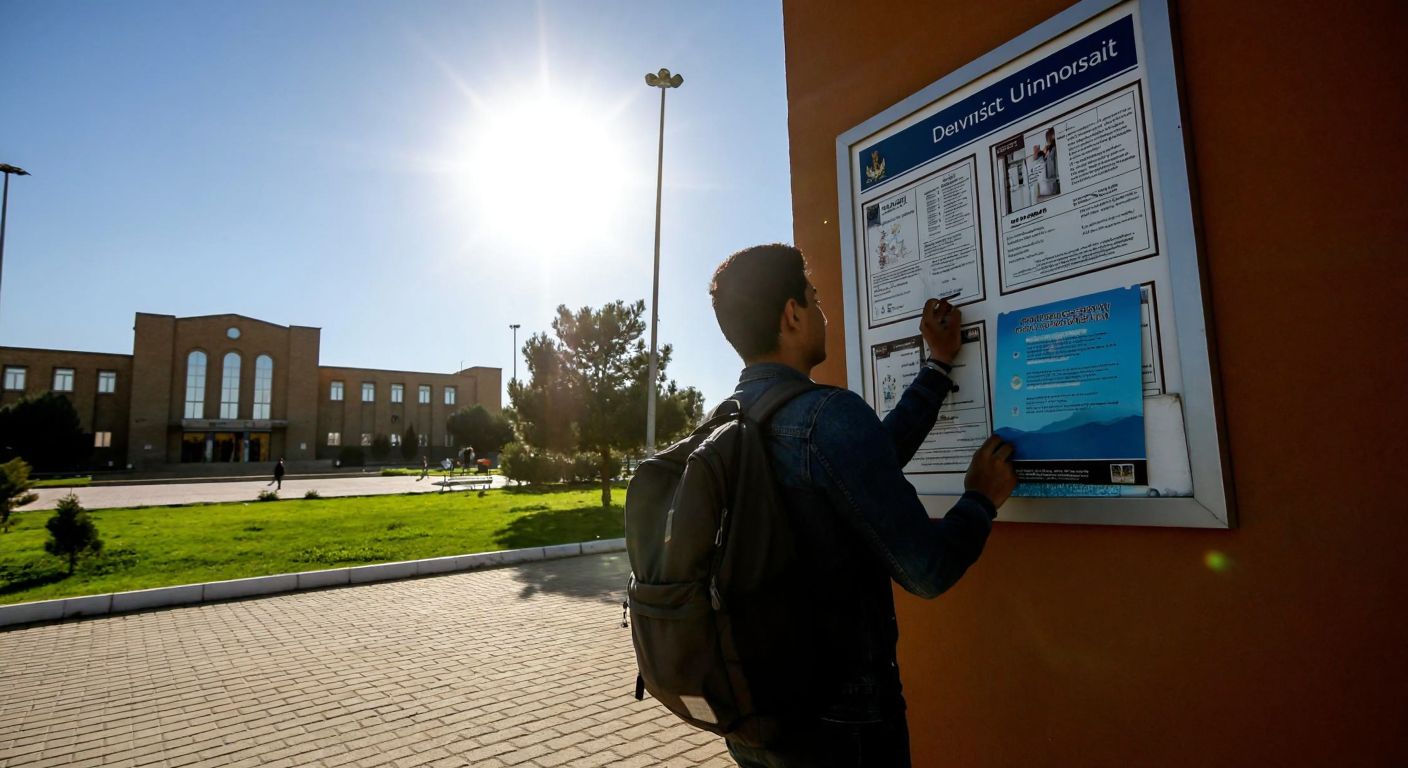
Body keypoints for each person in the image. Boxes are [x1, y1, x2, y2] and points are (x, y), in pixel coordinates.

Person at [709, 244, 1016, 767]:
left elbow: (865, 466)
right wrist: (980, 499)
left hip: (752, 713)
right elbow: (928, 570)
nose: (822, 310)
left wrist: (938, 369)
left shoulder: (721, 425)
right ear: (792, 314)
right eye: (815, 297)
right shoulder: (826, 416)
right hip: (841, 728)